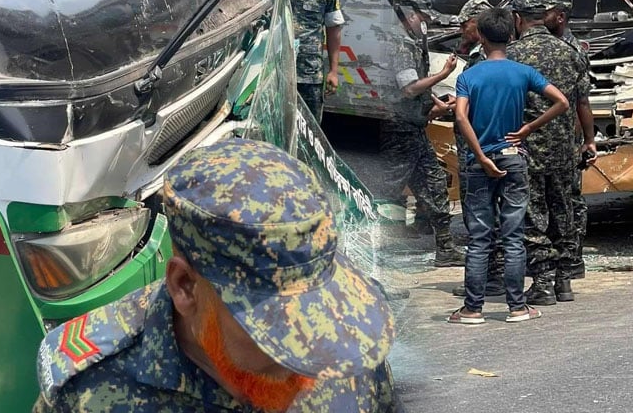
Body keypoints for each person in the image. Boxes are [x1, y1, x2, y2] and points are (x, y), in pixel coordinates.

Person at [33, 139, 397, 412]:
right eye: (275, 330)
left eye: (316, 313)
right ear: (185, 287)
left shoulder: (350, 345)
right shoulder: (87, 390)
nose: (305, 358)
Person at [449, 7, 570, 325]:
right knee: (513, 236)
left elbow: (461, 116)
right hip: (515, 157)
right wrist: (528, 128)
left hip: (479, 163)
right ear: (511, 34)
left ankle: (472, 309)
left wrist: (481, 156)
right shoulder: (522, 72)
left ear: (483, 37)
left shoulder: (469, 76)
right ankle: (517, 307)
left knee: (479, 238)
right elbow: (562, 101)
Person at [507, 0, 592, 305]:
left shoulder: (512, 54)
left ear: (518, 19)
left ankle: (542, 283)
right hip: (563, 148)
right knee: (563, 210)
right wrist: (589, 139)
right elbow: (583, 101)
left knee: (533, 213)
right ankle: (564, 281)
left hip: (525, 145)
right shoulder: (570, 51)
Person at [382, 0, 464, 267]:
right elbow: (409, 88)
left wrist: (440, 104)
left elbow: (420, 91)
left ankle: (445, 248)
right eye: (422, 18)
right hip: (398, 130)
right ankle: (375, 251)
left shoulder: (413, 44)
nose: (426, 24)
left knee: (434, 183)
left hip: (414, 128)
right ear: (409, 16)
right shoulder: (399, 45)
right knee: (387, 193)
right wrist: (443, 74)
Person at [447, 0, 508, 298]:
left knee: (483, 215)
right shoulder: (478, 57)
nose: (461, 29)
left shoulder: (484, 61)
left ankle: (491, 278)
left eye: (465, 23)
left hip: (481, 150)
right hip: (481, 148)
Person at [265, 0, 344, 123]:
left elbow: (333, 30)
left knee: (309, 130)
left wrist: (334, 71)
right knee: (273, 126)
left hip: (310, 75)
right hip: (275, 72)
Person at [542, 0, 595, 283]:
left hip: (567, 139)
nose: (542, 16)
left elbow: (582, 101)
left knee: (570, 199)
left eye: (547, 11)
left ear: (560, 16)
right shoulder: (542, 46)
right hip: (544, 137)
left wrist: (588, 140)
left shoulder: (573, 50)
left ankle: (573, 259)